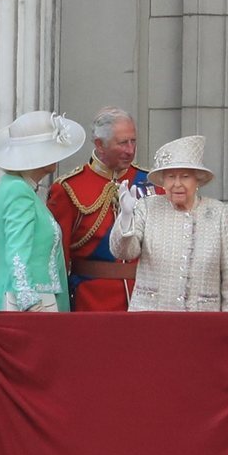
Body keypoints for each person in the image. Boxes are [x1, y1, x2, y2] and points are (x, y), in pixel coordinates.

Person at [109, 135, 228, 311]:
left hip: (203, 323)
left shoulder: (219, 213)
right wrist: (126, 216)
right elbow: (125, 252)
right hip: (152, 320)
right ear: (163, 182)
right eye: (171, 177)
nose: (177, 184)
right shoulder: (148, 207)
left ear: (197, 180)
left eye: (185, 176)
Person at [47, 107, 155, 311]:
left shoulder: (150, 183)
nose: (130, 150)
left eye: (133, 141)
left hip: (144, 299)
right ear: (99, 144)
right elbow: (58, 259)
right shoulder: (69, 188)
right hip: (92, 301)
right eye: (123, 143)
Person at [0, 111, 86, 312]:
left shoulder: (19, 187)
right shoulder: (18, 190)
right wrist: (30, 304)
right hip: (30, 305)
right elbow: (17, 253)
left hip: (36, 300)